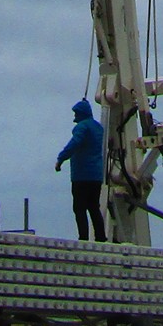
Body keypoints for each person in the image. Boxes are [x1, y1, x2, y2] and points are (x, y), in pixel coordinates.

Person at [54, 98, 106, 241]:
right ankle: (101, 236)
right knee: (94, 207)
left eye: (76, 113)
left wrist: (61, 158)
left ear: (80, 113)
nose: (74, 116)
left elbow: (75, 143)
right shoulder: (98, 128)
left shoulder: (82, 127)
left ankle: (83, 237)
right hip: (96, 175)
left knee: (79, 208)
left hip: (82, 175)